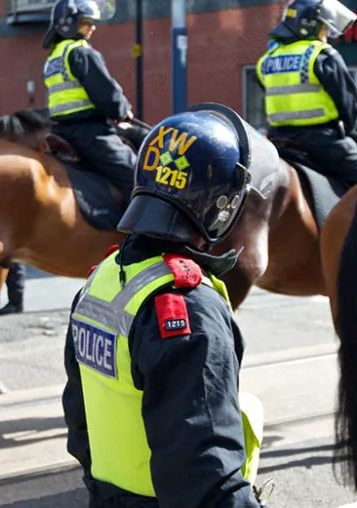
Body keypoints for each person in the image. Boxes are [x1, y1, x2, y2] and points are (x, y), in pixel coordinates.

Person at [63, 110, 265, 507]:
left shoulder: (103, 278)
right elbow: (207, 475)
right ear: (221, 204)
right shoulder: (188, 306)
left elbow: (80, 416)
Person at [256, 0, 357, 189]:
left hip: (278, 140)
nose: (328, 34)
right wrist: (353, 131)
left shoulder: (266, 60)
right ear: (310, 27)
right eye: (325, 28)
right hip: (322, 141)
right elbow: (349, 105)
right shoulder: (321, 56)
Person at [42, 0, 137, 195]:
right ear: (68, 24)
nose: (93, 27)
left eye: (93, 23)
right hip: (90, 133)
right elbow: (104, 91)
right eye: (86, 22)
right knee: (137, 176)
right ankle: (140, 226)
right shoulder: (80, 52)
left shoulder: (53, 58)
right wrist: (122, 110)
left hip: (62, 131)